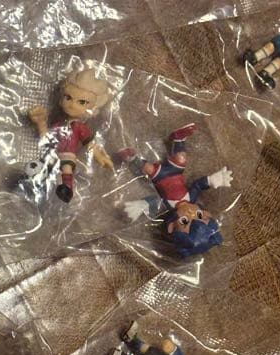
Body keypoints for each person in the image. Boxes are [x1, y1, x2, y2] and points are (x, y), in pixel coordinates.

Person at [120, 123, 232, 257]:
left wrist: (140, 206)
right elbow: (198, 185)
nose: (190, 213)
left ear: (172, 226)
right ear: (207, 213)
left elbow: (154, 202)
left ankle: (131, 158)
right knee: (181, 158)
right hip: (176, 171)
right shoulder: (191, 197)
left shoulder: (167, 205)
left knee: (148, 168)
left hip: (159, 176)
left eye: (185, 221)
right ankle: (178, 138)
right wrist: (212, 180)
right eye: (199, 215)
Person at [26, 67, 112, 203]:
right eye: (68, 97)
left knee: (66, 168)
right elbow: (46, 138)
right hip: (53, 153)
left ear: (93, 108)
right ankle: (38, 183)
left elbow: (89, 144)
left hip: (67, 154)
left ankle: (67, 189)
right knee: (46, 167)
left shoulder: (79, 127)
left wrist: (99, 156)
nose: (72, 105)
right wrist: (40, 122)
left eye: (82, 102)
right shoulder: (58, 124)